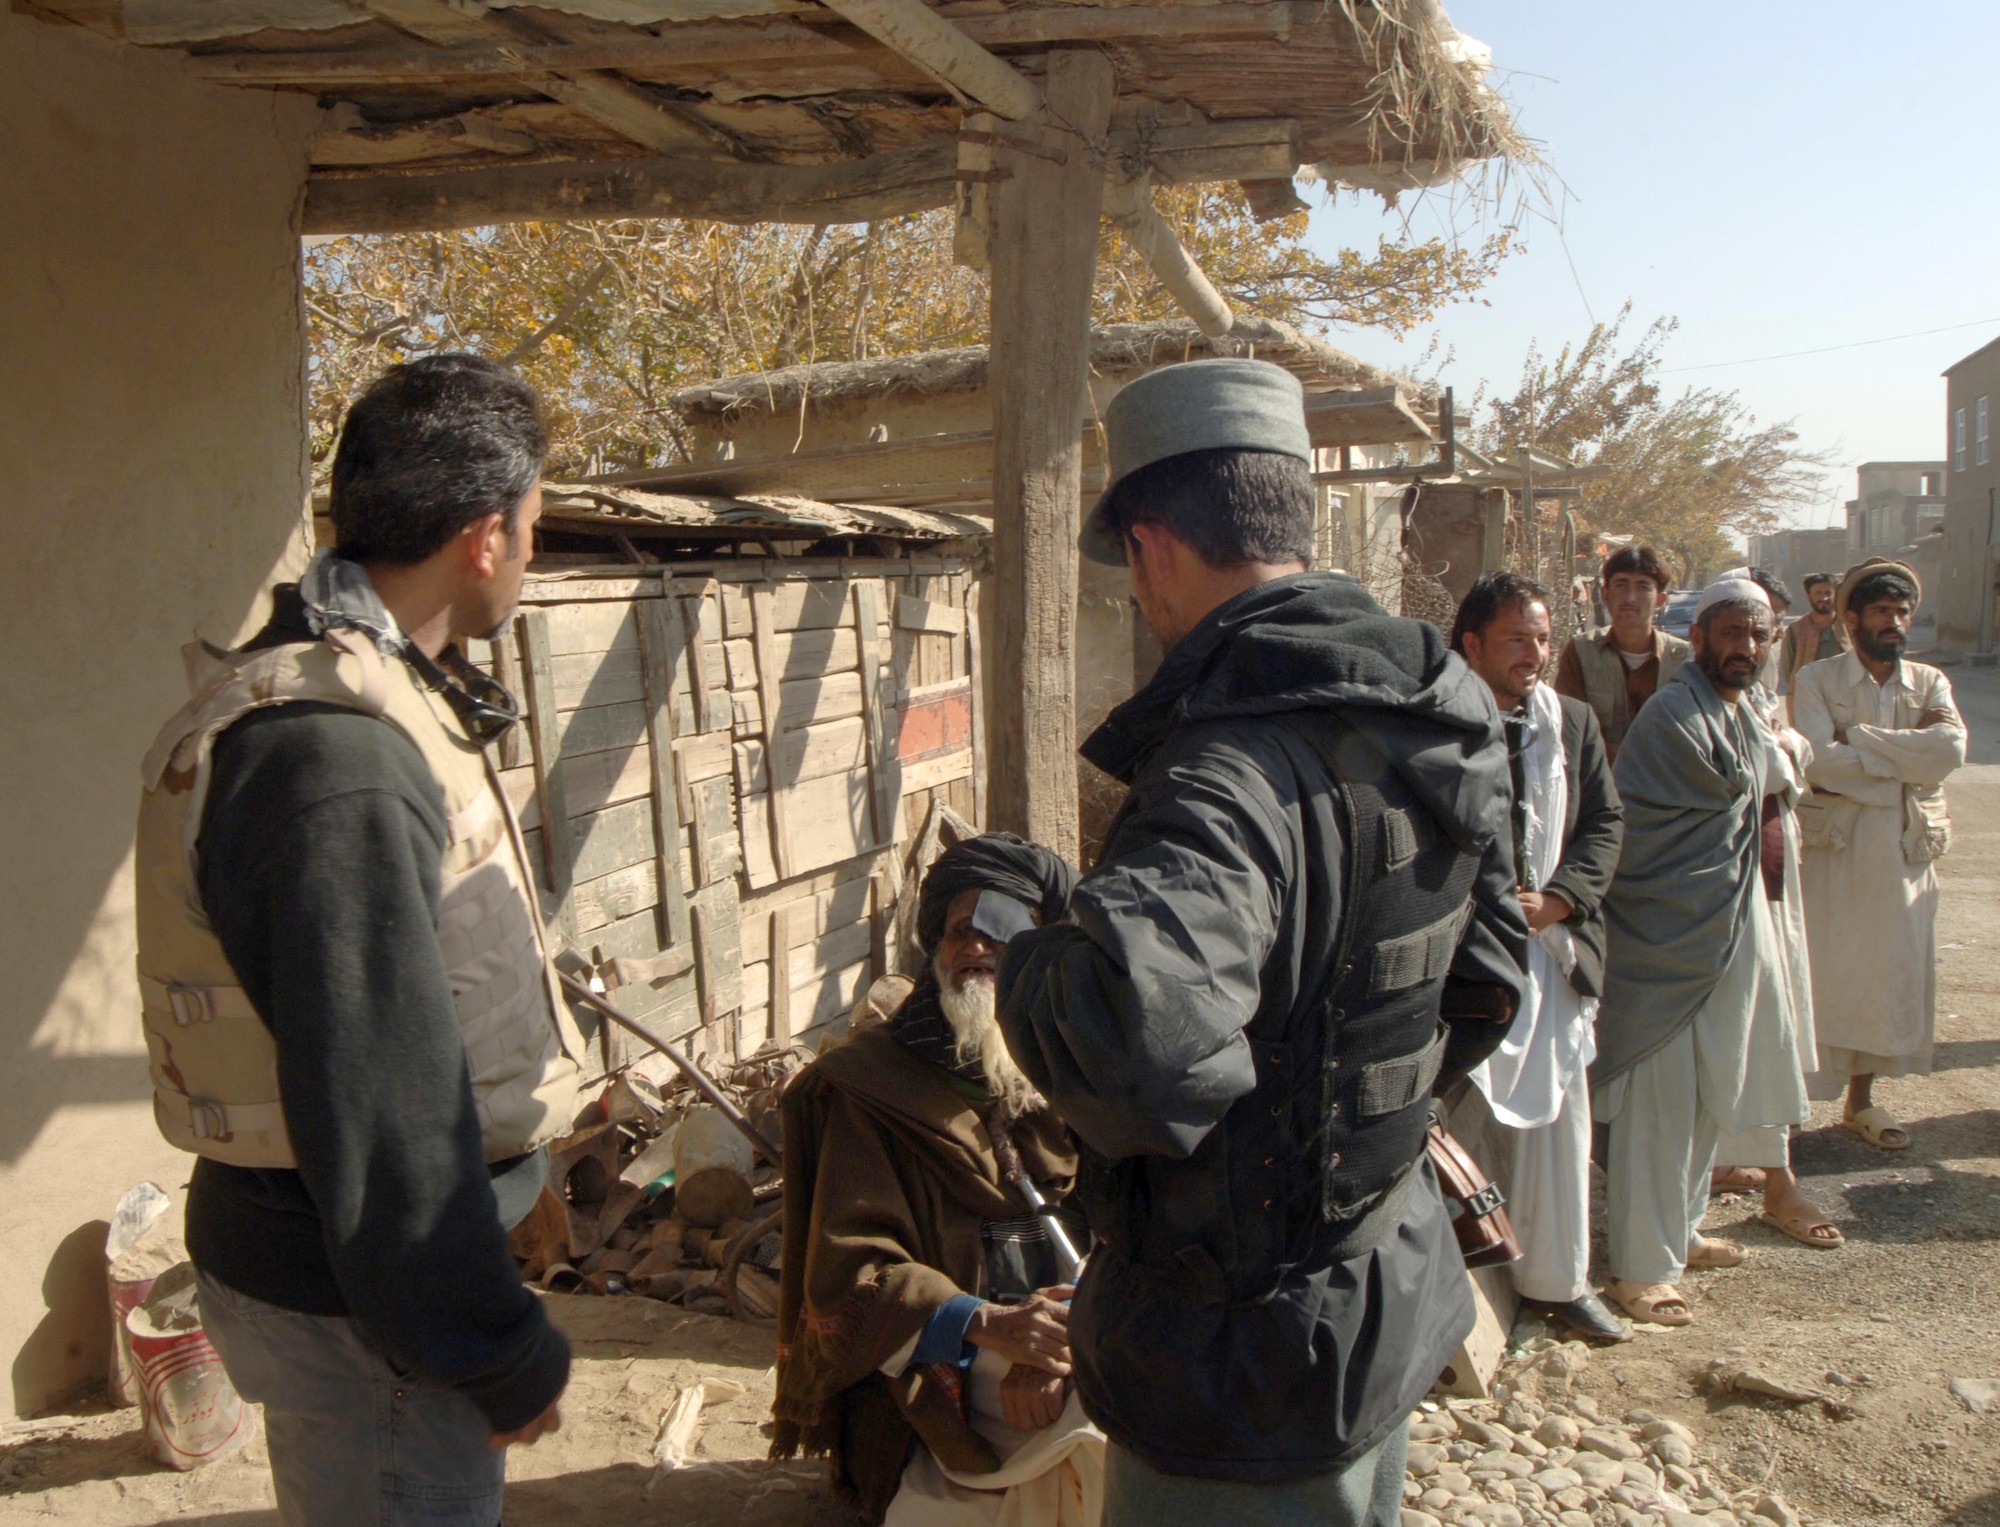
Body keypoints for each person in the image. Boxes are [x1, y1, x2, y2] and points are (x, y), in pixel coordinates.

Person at [992, 358, 1529, 1523]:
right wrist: (1347, 1120)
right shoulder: (1442, 705)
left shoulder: (1223, 765)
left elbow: (1128, 1039)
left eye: (1131, 570)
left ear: (1152, 548)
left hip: (1240, 1368)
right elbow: (1488, 979)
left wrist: (1023, 944)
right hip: (1378, 1290)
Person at [134, 354, 584, 1523]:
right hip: (367, 1310)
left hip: (344, 1280)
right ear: (483, 538)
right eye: (533, 534)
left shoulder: (371, 694)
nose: (529, 563)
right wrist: (490, 1343)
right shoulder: (336, 759)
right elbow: (381, 1108)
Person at [771, 834, 1101, 1526]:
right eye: (959, 933)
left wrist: (1059, 1342)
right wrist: (993, 1326)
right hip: (939, 1376)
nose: (975, 948)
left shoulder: (1081, 1063)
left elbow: (1132, 1226)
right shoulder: (872, 1089)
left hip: (1073, 1338)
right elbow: (848, 1280)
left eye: (1000, 934)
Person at [1589, 578, 1815, 1328]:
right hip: (1667, 943)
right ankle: (1641, 1269)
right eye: (1730, 633)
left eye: (1757, 635)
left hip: (1727, 931)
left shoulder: (1737, 707)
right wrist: (1782, 756)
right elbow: (1754, 781)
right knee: (1660, 1102)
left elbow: (1776, 773)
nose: (1744, 648)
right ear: (1702, 634)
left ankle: (1680, 1231)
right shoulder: (1676, 715)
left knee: (1708, 1093)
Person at [1444, 573, 1627, 1343]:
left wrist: (1557, 901)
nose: (1535, 653)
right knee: (1456, 1123)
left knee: (1559, 1127)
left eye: (1543, 638)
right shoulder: (1436, 721)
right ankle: (1454, 1304)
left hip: (1552, 956)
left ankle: (1557, 1280)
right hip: (1464, 958)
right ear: (1473, 644)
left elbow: (1605, 825)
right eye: (1517, 638)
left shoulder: (1572, 723)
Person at [1792, 559, 1966, 1151]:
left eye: (1901, 612)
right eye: (1881, 612)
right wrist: (1901, 764)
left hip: (1902, 850)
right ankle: (1790, 1111)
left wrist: (1859, 741)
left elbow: (1947, 751)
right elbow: (1816, 761)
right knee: (1824, 972)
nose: (1894, 623)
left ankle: (1860, 1101)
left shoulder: (1929, 683)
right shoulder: (1818, 681)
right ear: (1850, 619)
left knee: (1886, 973)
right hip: (1835, 852)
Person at [1555, 544, 1690, 761]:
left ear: (1661, 600)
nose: (1630, 598)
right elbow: (1567, 727)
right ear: (1605, 594)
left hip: (1665, 787)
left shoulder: (1684, 660)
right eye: (1621, 585)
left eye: (1643, 587)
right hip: (1598, 783)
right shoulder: (1581, 651)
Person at [1776, 571, 1850, 698]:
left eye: (1828, 593)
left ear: (1835, 595)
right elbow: (1786, 672)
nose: (1823, 598)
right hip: (1804, 699)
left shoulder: (1849, 627)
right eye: (1818, 593)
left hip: (1844, 700)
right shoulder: (1795, 630)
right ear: (1808, 596)